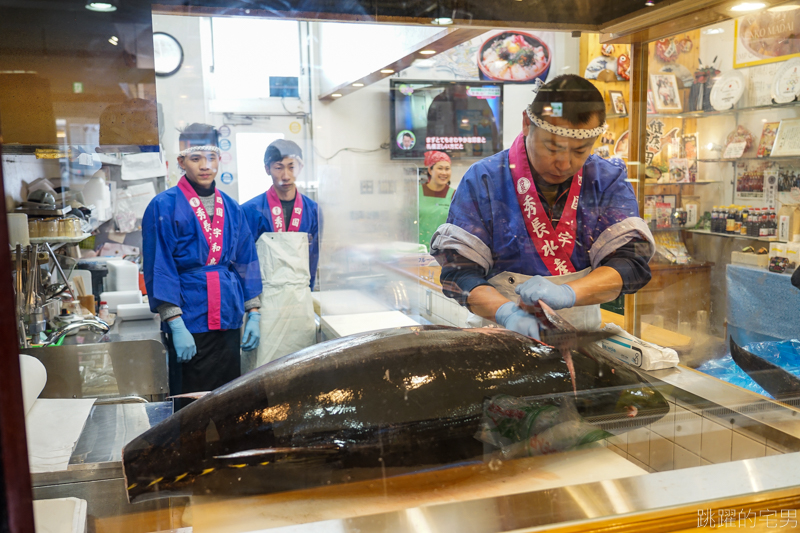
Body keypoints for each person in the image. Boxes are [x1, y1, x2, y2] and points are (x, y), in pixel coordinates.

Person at [431, 75, 654, 338]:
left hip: (580, 341)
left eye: (579, 151)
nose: (563, 163)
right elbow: (458, 273)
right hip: (496, 334)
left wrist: (568, 293)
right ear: (527, 123)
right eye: (552, 147)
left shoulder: (606, 180)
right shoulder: (485, 179)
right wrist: (507, 313)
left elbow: (631, 263)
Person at [143, 124, 262, 407]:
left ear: (220, 160)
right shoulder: (163, 205)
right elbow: (160, 265)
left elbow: (246, 258)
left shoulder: (232, 207)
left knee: (229, 398)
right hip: (190, 317)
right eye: (196, 159)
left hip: (229, 316)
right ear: (182, 162)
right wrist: (174, 321)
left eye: (211, 158)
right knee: (192, 403)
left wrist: (254, 311)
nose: (205, 166)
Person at [241, 139, 319, 369]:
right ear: (267, 169)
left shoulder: (313, 210)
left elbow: (314, 258)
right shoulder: (250, 210)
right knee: (262, 371)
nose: (285, 175)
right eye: (278, 167)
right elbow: (244, 262)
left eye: (291, 166)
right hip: (266, 303)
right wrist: (252, 310)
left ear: (301, 167)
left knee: (301, 369)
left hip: (300, 302)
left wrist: (310, 293)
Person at [419, 151, 456, 249]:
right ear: (430, 171)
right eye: (440, 168)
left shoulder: (454, 195)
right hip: (418, 250)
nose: (444, 173)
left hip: (443, 252)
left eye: (447, 169)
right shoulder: (416, 192)